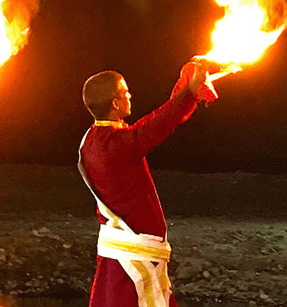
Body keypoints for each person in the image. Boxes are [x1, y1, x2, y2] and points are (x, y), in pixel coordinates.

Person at [78, 59, 217, 307]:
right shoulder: (118, 145)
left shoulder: (93, 139)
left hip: (119, 253)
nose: (130, 95)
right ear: (115, 103)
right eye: (125, 92)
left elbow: (149, 124)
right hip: (133, 258)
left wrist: (186, 91)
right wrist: (189, 94)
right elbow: (157, 125)